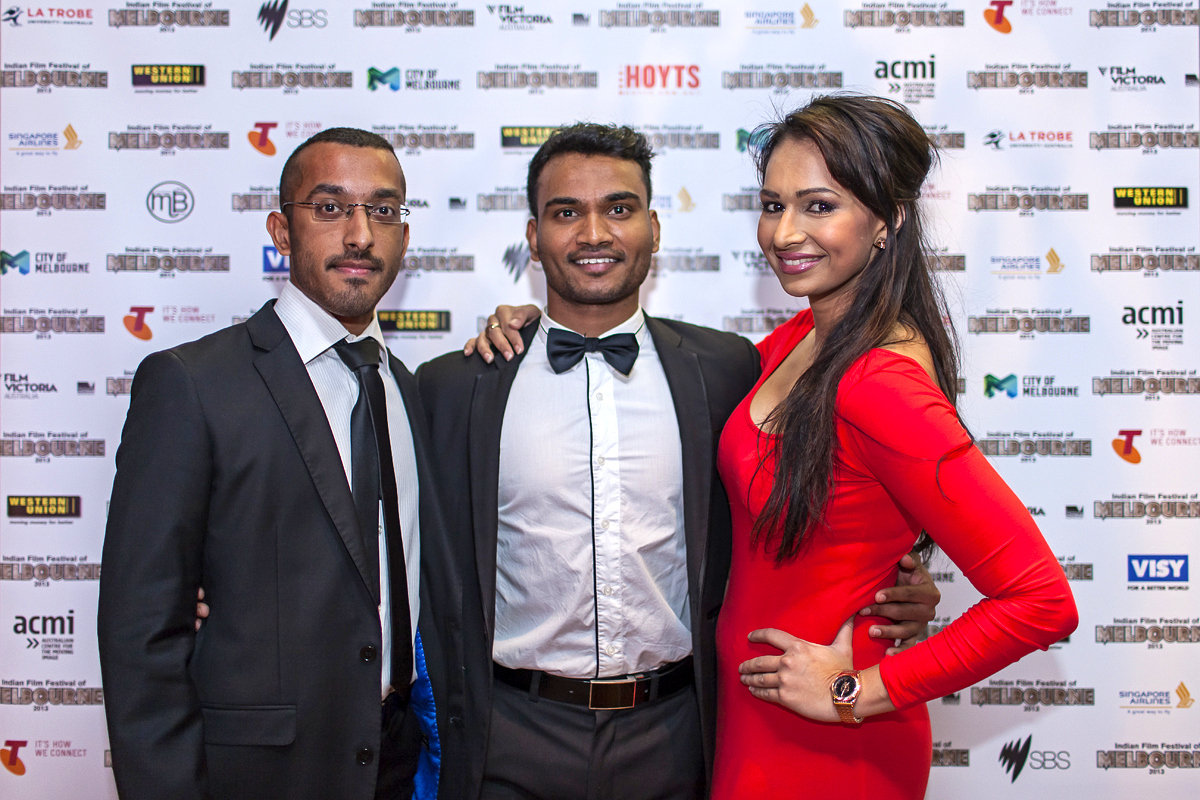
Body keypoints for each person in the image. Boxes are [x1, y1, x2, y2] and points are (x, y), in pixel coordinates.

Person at [420, 122, 941, 799]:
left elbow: (820, 500)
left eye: (619, 208)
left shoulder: (730, 373)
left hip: (677, 734)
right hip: (509, 734)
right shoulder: (454, 387)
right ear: (532, 237)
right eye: (565, 212)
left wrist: (891, 589)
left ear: (655, 228)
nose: (594, 233)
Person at [711, 95, 1078, 798]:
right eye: (772, 203)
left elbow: (1040, 599)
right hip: (757, 721)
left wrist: (854, 691)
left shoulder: (879, 380)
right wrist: (532, 327)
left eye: (819, 206)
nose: (784, 231)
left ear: (889, 222)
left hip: (827, 748)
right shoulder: (802, 339)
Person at [98, 128, 466, 800]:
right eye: (330, 208)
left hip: (394, 763)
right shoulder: (192, 384)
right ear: (281, 229)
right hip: (257, 773)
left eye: (383, 211)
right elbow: (140, 633)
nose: (359, 234)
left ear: (404, 237)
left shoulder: (410, 391)